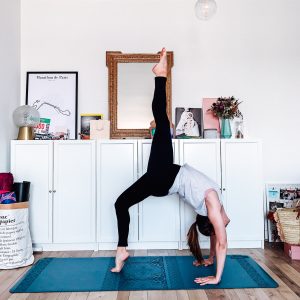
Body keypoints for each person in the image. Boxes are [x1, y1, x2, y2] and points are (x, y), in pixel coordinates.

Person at [112, 48, 230, 286]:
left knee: (163, 121)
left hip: (165, 176)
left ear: (209, 217)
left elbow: (222, 240)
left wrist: (216, 278)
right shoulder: (214, 209)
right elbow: (221, 230)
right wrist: (208, 259)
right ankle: (122, 250)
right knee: (121, 203)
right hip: (164, 178)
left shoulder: (212, 201)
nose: (221, 222)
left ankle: (161, 74)